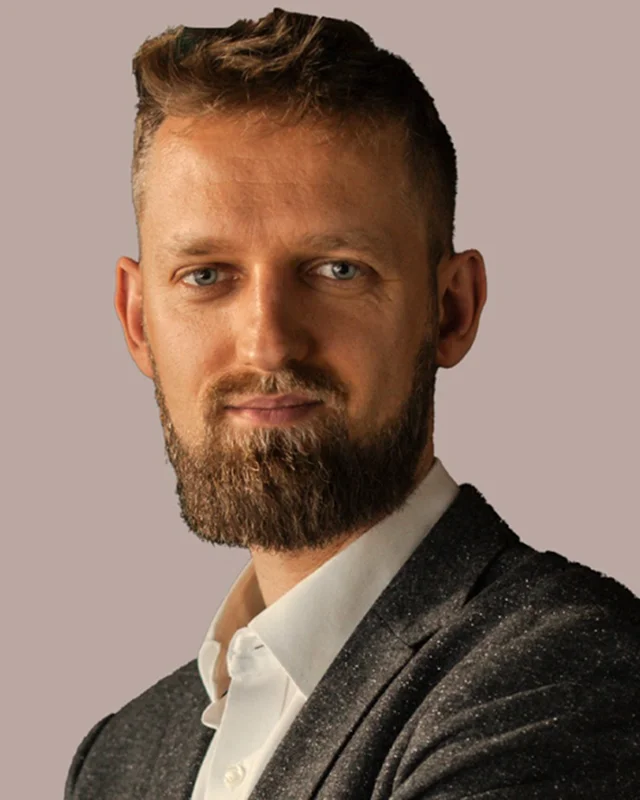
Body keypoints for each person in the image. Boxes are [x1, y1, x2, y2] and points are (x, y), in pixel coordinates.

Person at [64, 8, 640, 799]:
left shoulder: (563, 679)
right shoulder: (119, 759)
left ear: (451, 310)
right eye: (206, 276)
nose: (268, 344)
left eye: (337, 270)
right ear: (137, 321)